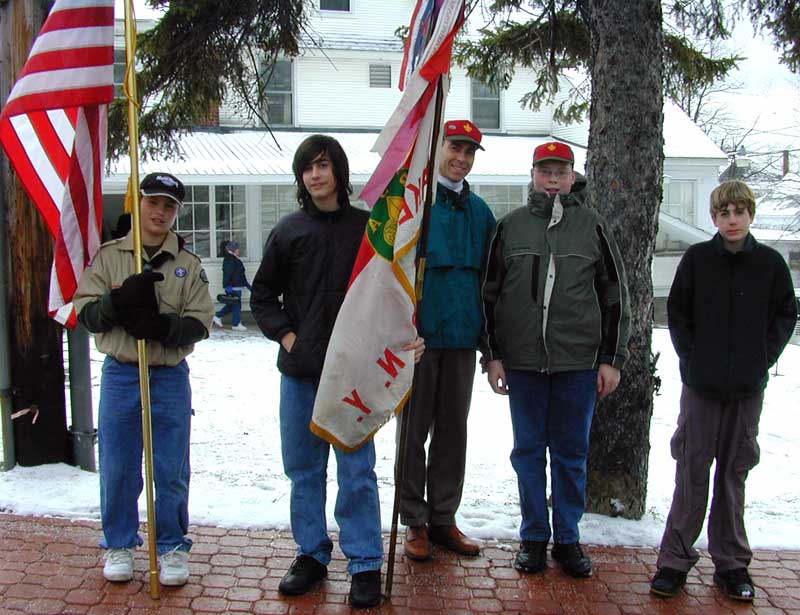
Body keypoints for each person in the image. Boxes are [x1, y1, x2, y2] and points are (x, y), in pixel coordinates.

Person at [250, 134, 423, 609]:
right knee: (304, 471)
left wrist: (408, 335)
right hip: (302, 374)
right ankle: (310, 555)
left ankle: (365, 563)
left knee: (357, 472)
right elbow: (262, 296)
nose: (315, 175)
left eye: (323, 166)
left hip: (354, 377)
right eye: (307, 168)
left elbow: (392, 294)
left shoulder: (368, 231)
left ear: (338, 172)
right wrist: (289, 338)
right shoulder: (289, 231)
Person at [481, 141, 630, 578]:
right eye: (544, 170)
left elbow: (615, 295)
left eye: (560, 171)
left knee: (570, 454)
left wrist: (612, 359)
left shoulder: (592, 227)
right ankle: (532, 537)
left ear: (572, 176)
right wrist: (492, 356)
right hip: (523, 365)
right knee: (528, 453)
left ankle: (567, 538)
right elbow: (488, 295)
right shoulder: (509, 228)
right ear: (532, 174)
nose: (552, 178)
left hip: (577, 365)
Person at [650, 180, 797, 602]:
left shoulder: (769, 264)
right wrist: (692, 360)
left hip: (747, 389)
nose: (732, 221)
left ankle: (731, 563)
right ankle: (674, 562)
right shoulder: (698, 261)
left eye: (739, 212)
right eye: (723, 214)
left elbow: (786, 313)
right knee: (692, 473)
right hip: (702, 387)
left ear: (750, 215)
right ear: (713, 218)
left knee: (733, 475)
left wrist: (762, 357)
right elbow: (677, 313)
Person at [73, 172, 214, 586]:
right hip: (121, 374)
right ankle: (118, 541)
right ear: (138, 203)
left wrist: (162, 327)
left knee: (170, 466)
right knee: (118, 464)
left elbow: (201, 321)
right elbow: (85, 314)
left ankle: (171, 545)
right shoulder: (110, 257)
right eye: (153, 202)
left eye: (169, 206)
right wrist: (116, 302)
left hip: (168, 375)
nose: (160, 212)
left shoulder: (187, 264)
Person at [398, 119, 496, 562]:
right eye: (455, 148)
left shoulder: (481, 214)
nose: (461, 158)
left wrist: (490, 346)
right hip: (417, 341)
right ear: (438, 148)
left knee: (453, 434)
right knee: (412, 433)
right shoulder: (412, 204)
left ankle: (442, 518)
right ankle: (414, 520)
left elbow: (493, 284)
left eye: (469, 152)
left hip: (461, 339)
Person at [212, 240, 251, 331]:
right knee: (236, 305)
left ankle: (217, 316)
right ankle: (236, 324)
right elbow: (227, 274)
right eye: (237, 249)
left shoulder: (234, 259)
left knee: (231, 305)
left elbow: (241, 275)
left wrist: (248, 286)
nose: (239, 251)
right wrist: (227, 286)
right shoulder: (230, 260)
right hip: (233, 287)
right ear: (233, 250)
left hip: (237, 286)